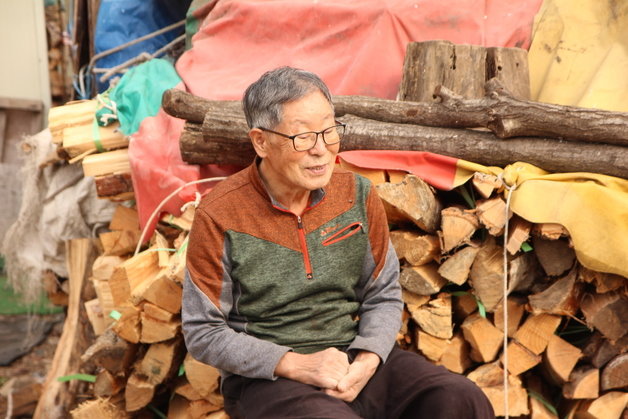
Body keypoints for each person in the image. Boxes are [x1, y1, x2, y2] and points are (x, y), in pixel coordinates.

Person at [182, 66, 494, 419]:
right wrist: (294, 364)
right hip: (269, 381)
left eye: (329, 131)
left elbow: (383, 293)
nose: (321, 150)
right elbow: (203, 331)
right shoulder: (220, 214)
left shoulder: (355, 195)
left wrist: (368, 358)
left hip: (351, 360)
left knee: (459, 399)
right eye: (303, 138)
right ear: (261, 141)